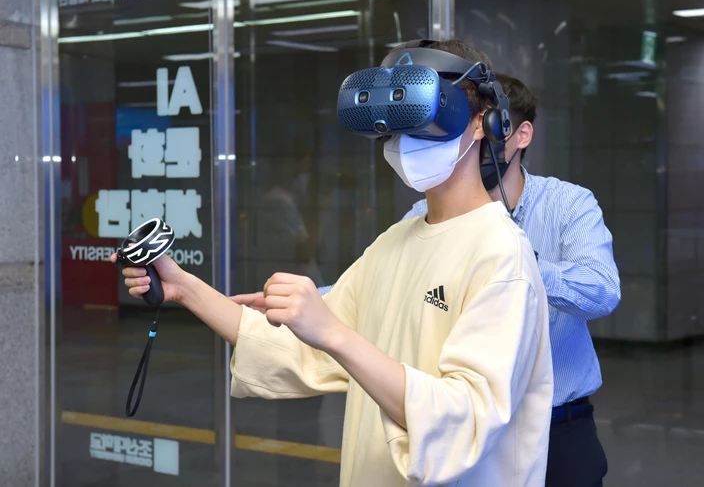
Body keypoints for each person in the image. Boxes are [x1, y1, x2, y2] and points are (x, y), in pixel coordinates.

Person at [114, 39, 553, 487]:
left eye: (423, 116)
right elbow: (304, 350)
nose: (405, 141)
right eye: (396, 123)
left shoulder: (502, 256)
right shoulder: (394, 243)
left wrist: (335, 335)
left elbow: (466, 421)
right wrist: (184, 287)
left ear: (483, 121)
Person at [235, 73, 621, 487]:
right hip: (455, 426)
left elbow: (602, 290)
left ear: (517, 133)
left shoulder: (566, 204)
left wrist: (504, 260)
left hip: (558, 423)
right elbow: (388, 280)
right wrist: (300, 305)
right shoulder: (425, 213)